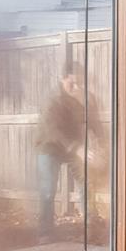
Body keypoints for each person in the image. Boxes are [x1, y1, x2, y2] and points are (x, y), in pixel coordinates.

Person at [35, 69, 86, 236]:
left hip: (70, 148)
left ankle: (90, 224)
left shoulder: (77, 99)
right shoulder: (52, 99)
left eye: (79, 83)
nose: (76, 87)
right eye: (72, 83)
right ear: (62, 79)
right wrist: (76, 148)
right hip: (49, 146)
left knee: (86, 179)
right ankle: (45, 231)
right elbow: (54, 130)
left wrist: (91, 145)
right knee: (48, 189)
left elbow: (85, 123)